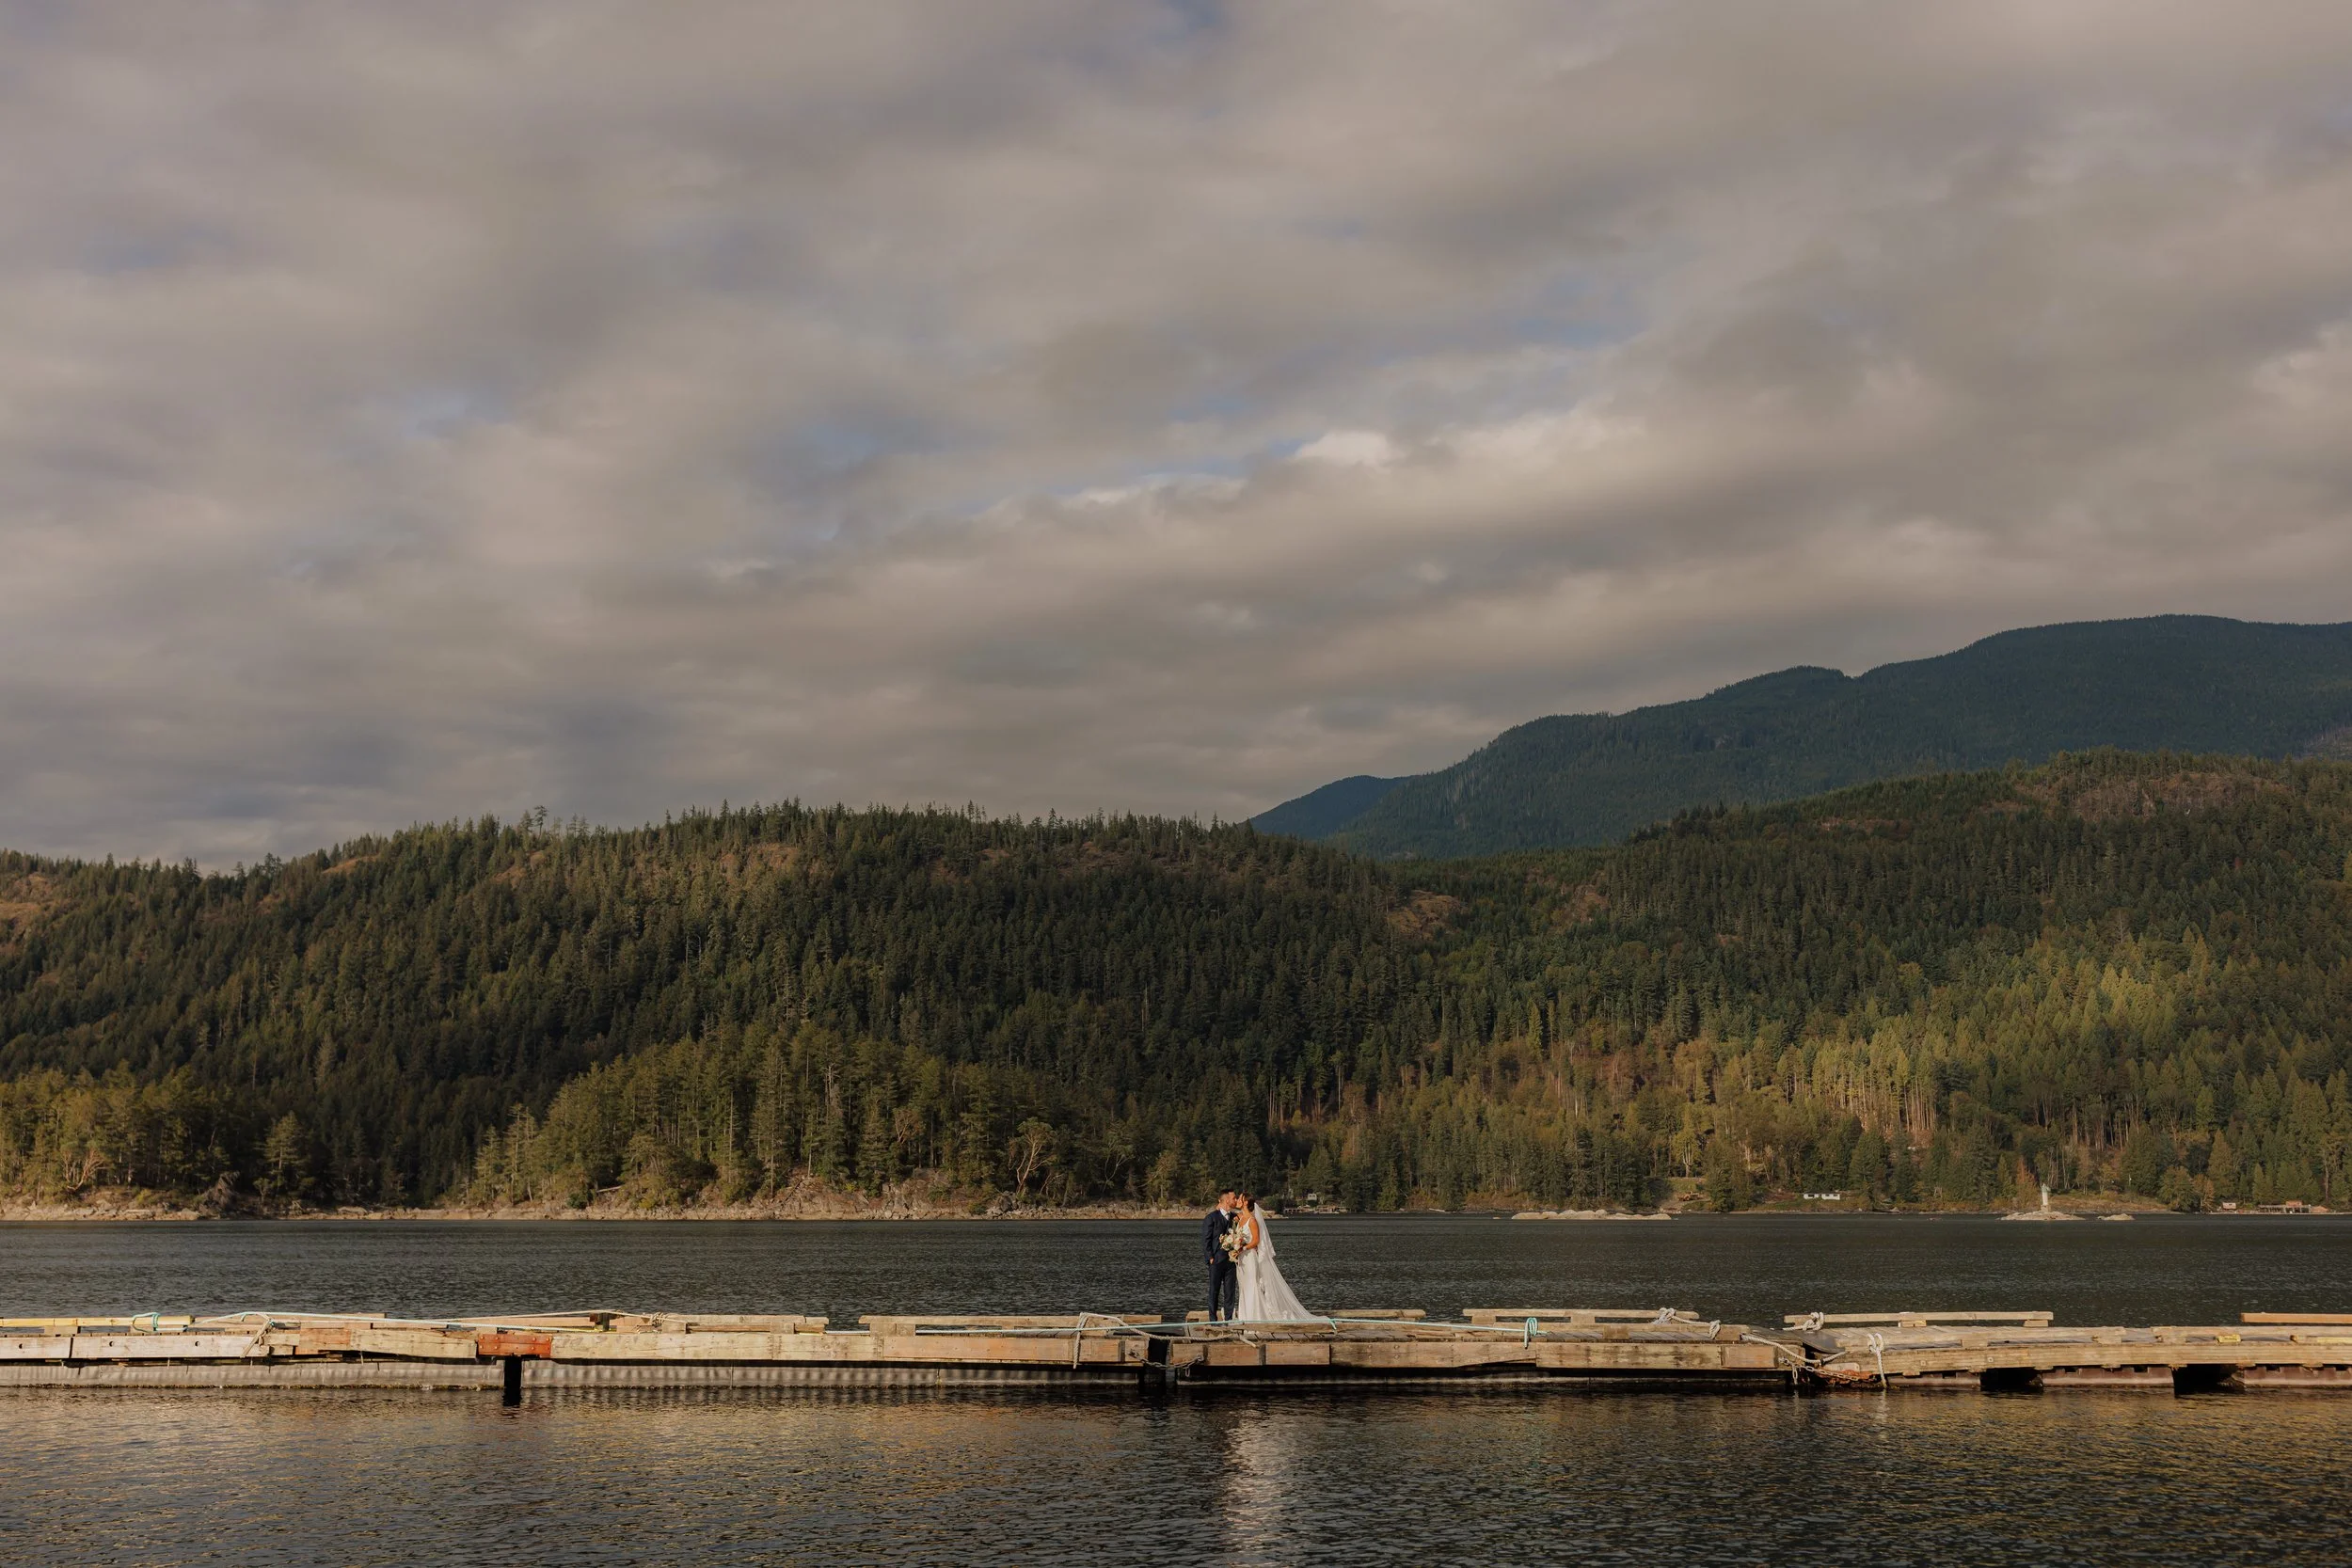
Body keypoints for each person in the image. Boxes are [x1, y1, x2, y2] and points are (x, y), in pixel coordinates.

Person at [1232, 1191, 1315, 1322]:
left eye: (1239, 1198)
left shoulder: (1252, 1220)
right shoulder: (1239, 1218)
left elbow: (1256, 1240)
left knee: (1252, 1285)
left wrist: (1242, 1247)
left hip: (1249, 1257)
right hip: (1241, 1259)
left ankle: (1256, 1318)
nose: (1237, 1200)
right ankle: (1245, 1317)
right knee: (1244, 1287)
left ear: (1246, 1202)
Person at [1200, 1189, 1241, 1322]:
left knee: (1230, 1292)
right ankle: (1213, 1320)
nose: (1235, 1200)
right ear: (1226, 1200)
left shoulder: (1235, 1217)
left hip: (1231, 1260)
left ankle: (1228, 1319)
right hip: (1216, 1260)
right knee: (1214, 1291)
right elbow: (1206, 1240)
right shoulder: (1211, 1218)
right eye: (1233, 1198)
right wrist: (1210, 1258)